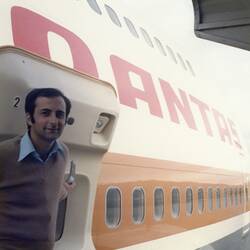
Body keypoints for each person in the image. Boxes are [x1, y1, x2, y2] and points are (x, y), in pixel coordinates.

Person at [0, 88, 75, 250]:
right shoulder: (5, 153)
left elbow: (46, 187)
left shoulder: (63, 153)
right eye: (45, 113)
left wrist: (64, 189)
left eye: (60, 114)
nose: (54, 121)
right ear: (29, 118)